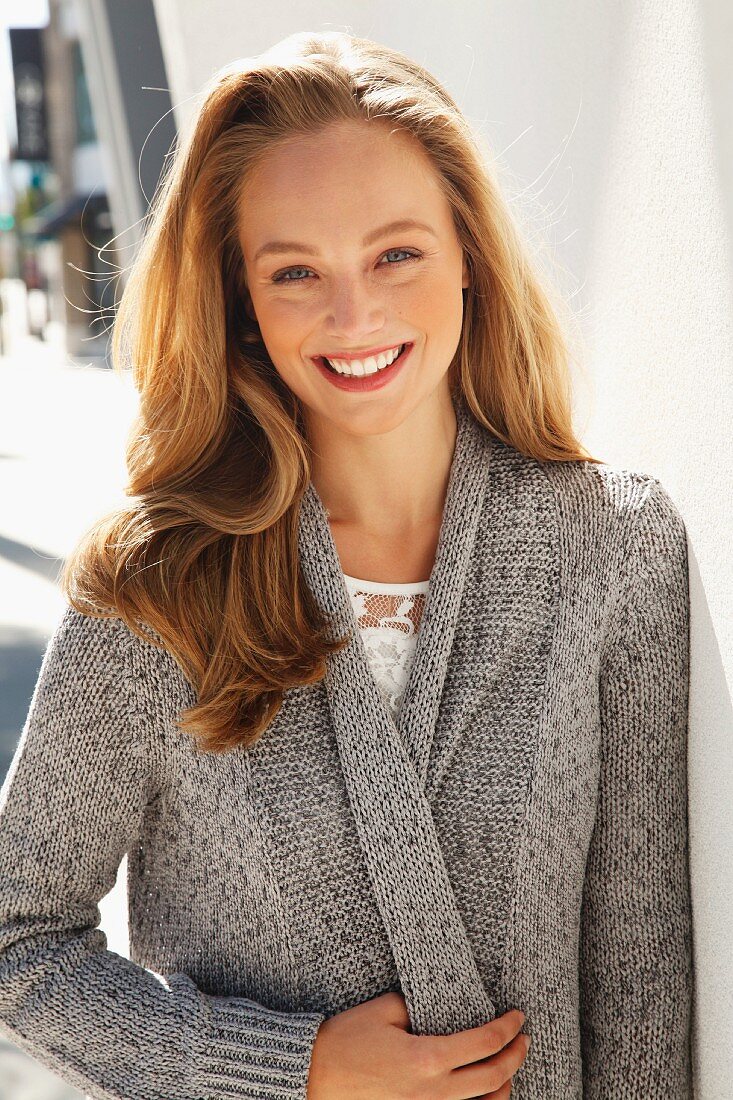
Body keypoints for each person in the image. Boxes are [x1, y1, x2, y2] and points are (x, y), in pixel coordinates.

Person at [0, 29, 692, 1100]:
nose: (353, 313)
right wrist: (294, 1065)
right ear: (241, 301)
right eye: (294, 271)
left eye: (396, 253)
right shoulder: (155, 589)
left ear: (467, 252)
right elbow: (15, 941)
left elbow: (640, 978)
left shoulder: (613, 547)